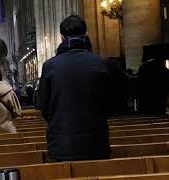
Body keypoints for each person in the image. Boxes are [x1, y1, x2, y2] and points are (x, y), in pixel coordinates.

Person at [39, 15, 110, 161]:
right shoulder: (101, 64)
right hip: (96, 144)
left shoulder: (50, 66)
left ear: (62, 37)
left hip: (62, 145)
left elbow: (43, 106)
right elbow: (111, 104)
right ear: (86, 34)